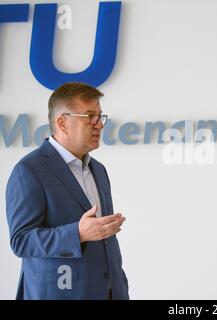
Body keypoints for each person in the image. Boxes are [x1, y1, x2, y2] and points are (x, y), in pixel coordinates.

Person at [6, 82, 129, 300]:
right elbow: (21, 240)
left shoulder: (98, 170)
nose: (99, 125)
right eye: (90, 116)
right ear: (62, 122)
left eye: (100, 116)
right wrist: (78, 234)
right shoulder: (29, 170)